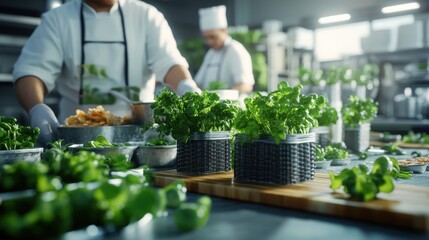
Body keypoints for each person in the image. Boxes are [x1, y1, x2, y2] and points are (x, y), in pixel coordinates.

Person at [13, 0, 200, 145]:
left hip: (141, 140)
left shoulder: (147, 16)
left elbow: (168, 63)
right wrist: (37, 108)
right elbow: (32, 70)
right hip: (77, 142)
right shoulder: (58, 20)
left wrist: (185, 85)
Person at [194, 5, 254, 93]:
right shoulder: (211, 53)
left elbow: (246, 85)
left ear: (224, 30)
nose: (209, 42)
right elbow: (198, 82)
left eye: (213, 37)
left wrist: (223, 96)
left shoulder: (236, 50)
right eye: (206, 38)